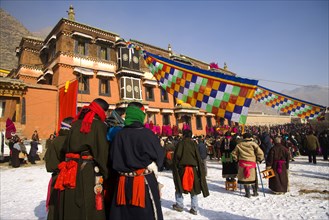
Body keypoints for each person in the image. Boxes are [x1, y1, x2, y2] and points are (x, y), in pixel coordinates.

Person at [54, 98, 109, 220]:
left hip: (70, 168)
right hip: (87, 170)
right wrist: (106, 173)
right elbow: (102, 153)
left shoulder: (75, 123)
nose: (105, 115)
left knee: (71, 203)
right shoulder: (99, 126)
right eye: (105, 111)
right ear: (100, 111)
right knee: (89, 204)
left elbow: (65, 148)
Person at [108, 101, 165, 220]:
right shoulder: (147, 134)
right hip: (143, 181)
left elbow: (113, 159)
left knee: (123, 215)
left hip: (122, 183)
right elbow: (159, 157)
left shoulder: (119, 135)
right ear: (139, 115)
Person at [172, 129, 209, 215]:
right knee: (194, 189)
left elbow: (176, 157)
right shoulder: (194, 144)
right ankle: (194, 208)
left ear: (183, 135)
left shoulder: (180, 144)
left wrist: (175, 167)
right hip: (193, 170)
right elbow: (198, 157)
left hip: (182, 169)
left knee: (179, 186)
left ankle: (179, 205)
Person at [44, 116, 74, 220]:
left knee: (54, 206)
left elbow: (49, 162)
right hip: (64, 178)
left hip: (56, 177)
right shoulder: (67, 141)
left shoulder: (55, 141)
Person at [232, 132, 264, 198]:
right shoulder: (254, 144)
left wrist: (236, 159)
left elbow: (233, 153)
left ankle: (247, 193)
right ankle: (255, 192)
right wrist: (259, 160)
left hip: (243, 163)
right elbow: (260, 153)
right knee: (253, 177)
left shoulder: (239, 144)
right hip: (251, 163)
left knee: (245, 178)